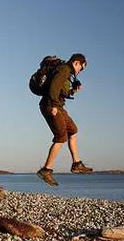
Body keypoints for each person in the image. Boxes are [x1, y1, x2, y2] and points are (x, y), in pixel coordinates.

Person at [37, 53, 93, 186]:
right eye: (82, 68)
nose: (81, 71)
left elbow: (62, 91)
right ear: (77, 63)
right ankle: (46, 170)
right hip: (51, 106)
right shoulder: (64, 69)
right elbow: (54, 87)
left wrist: (73, 90)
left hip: (58, 106)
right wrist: (54, 106)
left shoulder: (68, 74)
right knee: (61, 138)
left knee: (73, 130)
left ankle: (76, 164)